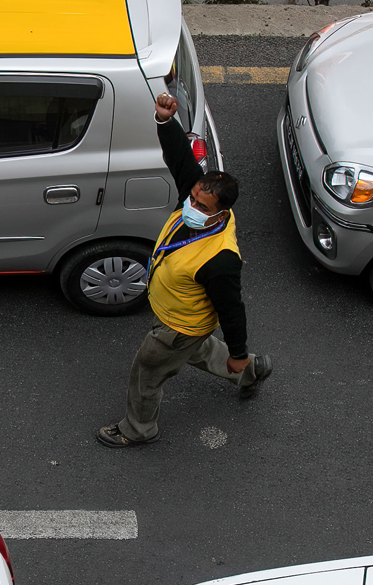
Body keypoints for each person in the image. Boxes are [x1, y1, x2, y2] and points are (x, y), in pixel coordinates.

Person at [96, 92, 271, 448]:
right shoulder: (197, 203)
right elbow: (181, 160)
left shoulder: (220, 259)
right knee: (200, 351)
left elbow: (231, 309)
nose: (190, 204)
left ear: (220, 214)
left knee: (147, 372)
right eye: (191, 197)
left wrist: (237, 350)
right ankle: (250, 370)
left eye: (200, 204)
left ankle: (138, 429)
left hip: (177, 327)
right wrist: (164, 120)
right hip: (182, 319)